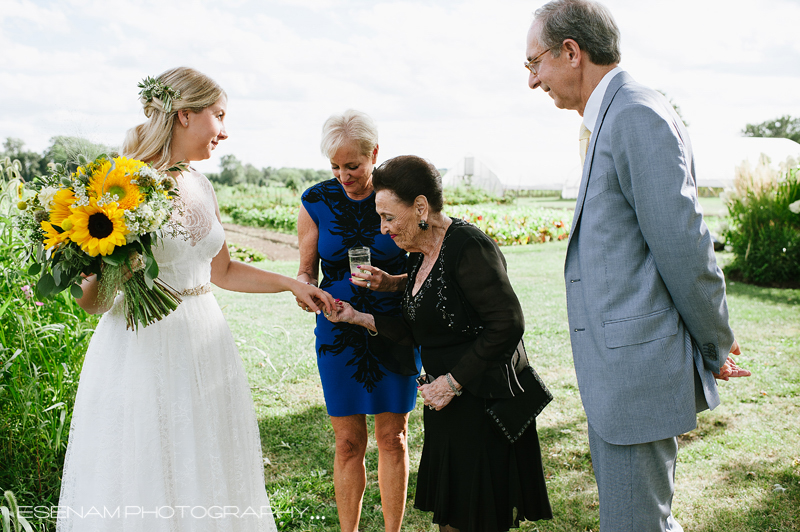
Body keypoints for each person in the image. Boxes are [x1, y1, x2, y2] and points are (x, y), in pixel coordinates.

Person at [57, 67, 334, 532]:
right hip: (140, 346)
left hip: (204, 339)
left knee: (208, 460)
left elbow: (222, 271)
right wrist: (118, 268)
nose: (224, 131)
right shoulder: (116, 186)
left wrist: (290, 283)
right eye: (219, 116)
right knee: (148, 462)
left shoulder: (201, 185)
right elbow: (91, 302)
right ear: (185, 115)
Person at [525, 2, 751, 531]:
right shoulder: (615, 114)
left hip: (635, 375)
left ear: (572, 52)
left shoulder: (634, 114)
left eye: (534, 64)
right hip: (618, 375)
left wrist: (714, 341)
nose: (533, 82)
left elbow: (684, 245)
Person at [327, 155, 553, 532]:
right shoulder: (421, 252)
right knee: (454, 519)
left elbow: (508, 323)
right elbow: (420, 325)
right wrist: (358, 316)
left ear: (420, 207)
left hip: (481, 405)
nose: (383, 229)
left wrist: (451, 383)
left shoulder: (468, 247)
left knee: (473, 520)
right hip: (449, 408)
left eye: (388, 217)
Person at [295, 109, 420, 532]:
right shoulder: (315, 201)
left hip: (394, 329)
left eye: (353, 166)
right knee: (348, 444)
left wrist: (391, 282)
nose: (343, 176)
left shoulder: (401, 196)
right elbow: (306, 270)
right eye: (335, 166)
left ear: (375, 154)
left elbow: (431, 272)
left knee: (393, 438)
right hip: (338, 330)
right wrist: (304, 289)